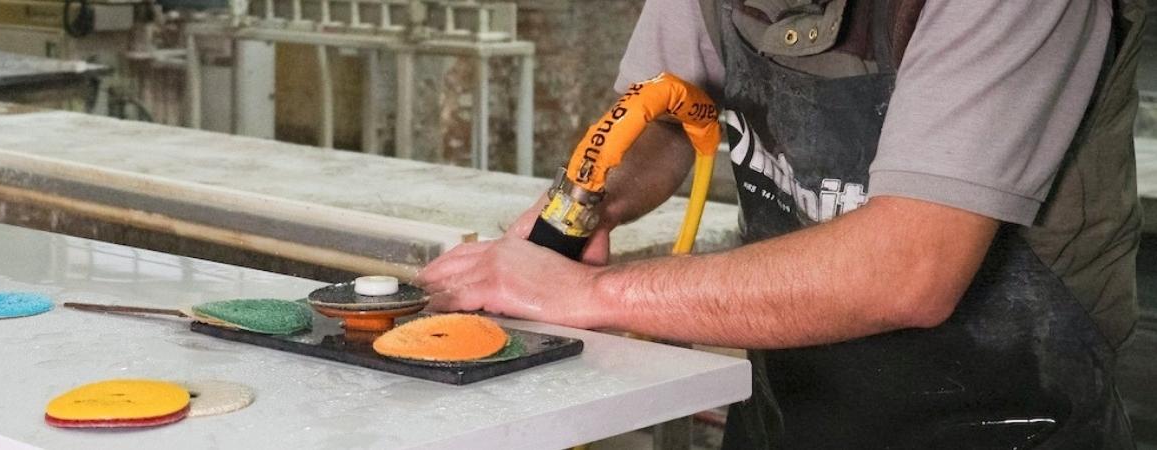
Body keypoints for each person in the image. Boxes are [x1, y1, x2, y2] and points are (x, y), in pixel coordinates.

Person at [416, 0, 1142, 447]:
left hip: (1008, 426)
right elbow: (671, 114)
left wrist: (588, 295)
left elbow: (911, 269)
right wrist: (577, 211)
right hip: (790, 414)